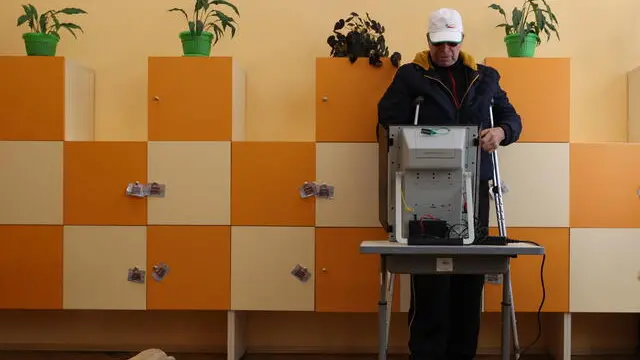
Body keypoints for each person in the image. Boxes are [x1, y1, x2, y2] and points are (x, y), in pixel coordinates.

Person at [376, 7, 523, 360]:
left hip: (474, 186)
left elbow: (511, 118)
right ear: (428, 42)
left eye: (452, 44)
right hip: (425, 186)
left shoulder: (485, 77)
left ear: (461, 41)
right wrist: (421, 137)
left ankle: (462, 352)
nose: (446, 51)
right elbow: (388, 117)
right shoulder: (412, 76)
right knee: (430, 275)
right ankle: (426, 352)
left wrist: (501, 132)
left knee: (469, 274)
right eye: (439, 44)